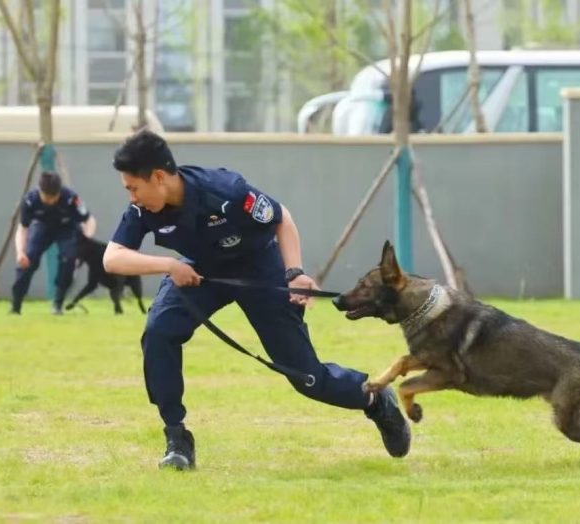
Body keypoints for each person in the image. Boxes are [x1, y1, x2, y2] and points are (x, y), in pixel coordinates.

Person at [103, 129, 411, 470]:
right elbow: (112, 258)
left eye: (134, 188)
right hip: (202, 273)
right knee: (160, 330)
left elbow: (282, 218)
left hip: (260, 269)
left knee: (306, 377)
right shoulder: (143, 210)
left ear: (158, 177)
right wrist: (169, 265)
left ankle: (373, 398)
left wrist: (294, 274)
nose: (131, 197)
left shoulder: (226, 191)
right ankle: (176, 439)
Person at [11, 171, 96, 315]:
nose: (50, 201)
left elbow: (89, 220)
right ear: (40, 190)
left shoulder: (71, 198)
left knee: (69, 259)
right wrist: (20, 252)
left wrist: (85, 241)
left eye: (54, 197)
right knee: (28, 259)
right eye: (47, 197)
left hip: (67, 228)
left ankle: (57, 304)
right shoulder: (29, 200)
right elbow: (22, 228)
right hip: (42, 227)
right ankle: (16, 306)